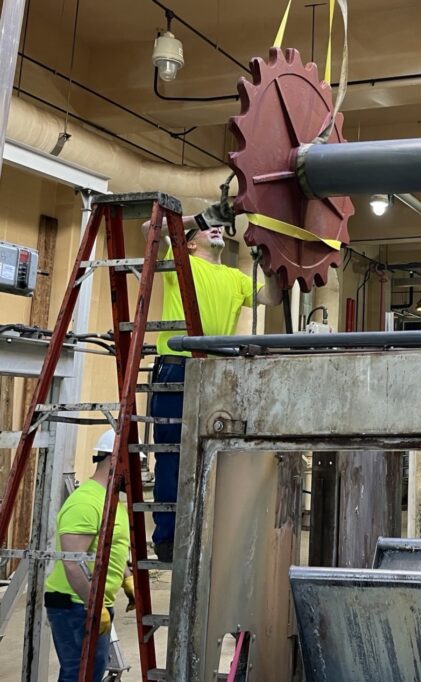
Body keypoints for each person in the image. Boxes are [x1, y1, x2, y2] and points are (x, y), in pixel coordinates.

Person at [142, 204, 282, 562]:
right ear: (189, 243)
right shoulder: (180, 262)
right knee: (173, 454)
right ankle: (168, 538)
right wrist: (199, 218)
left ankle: (207, 530)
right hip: (178, 367)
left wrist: (274, 255)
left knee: (215, 453)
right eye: (207, 230)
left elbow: (272, 297)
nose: (216, 229)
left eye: (218, 227)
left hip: (215, 372)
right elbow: (150, 228)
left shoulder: (236, 277)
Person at [44, 429, 134, 682]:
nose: (137, 472)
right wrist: (94, 606)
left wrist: (128, 579)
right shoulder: (85, 503)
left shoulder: (111, 500)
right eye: (132, 462)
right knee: (79, 675)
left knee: (90, 673)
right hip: (74, 603)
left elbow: (110, 548)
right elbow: (73, 564)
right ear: (115, 460)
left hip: (88, 602)